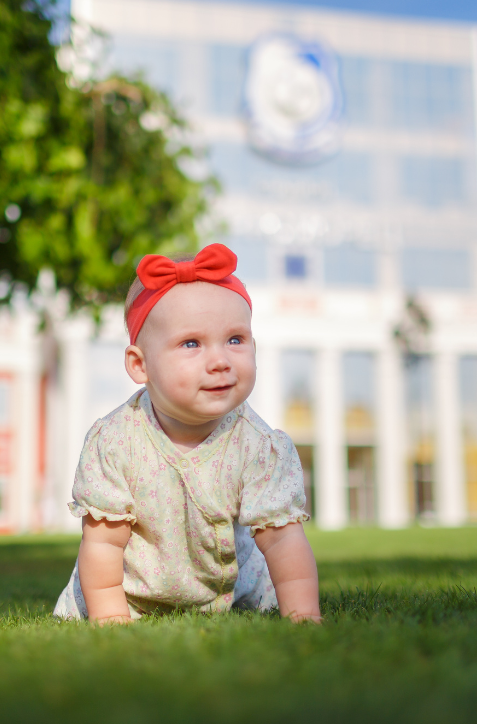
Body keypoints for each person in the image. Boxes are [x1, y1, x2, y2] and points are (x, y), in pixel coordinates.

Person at [53, 243, 321, 623]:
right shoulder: (115, 442)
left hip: (232, 584)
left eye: (235, 340)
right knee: (98, 593)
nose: (220, 361)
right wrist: (110, 617)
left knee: (271, 584)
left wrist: (303, 614)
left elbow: (282, 540)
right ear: (140, 365)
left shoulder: (259, 446)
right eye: (191, 344)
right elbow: (103, 543)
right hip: (126, 589)